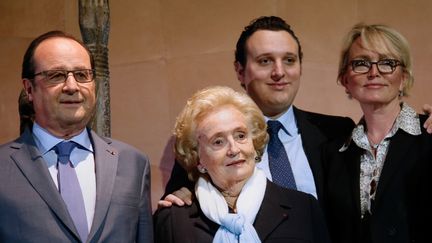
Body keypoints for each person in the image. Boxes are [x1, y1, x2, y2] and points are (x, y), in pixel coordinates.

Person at [161, 16, 432, 208]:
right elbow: (179, 201)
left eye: (289, 60)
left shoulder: (338, 133)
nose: (279, 72)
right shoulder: (209, 141)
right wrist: (183, 195)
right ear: (240, 71)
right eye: (265, 61)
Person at [0, 31, 153, 242]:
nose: (72, 87)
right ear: (29, 89)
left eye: (82, 75)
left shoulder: (133, 163)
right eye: (56, 75)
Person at [153, 86, 331, 242]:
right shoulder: (173, 219)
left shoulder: (304, 208)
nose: (234, 149)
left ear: (254, 143)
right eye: (218, 142)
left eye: (240, 135)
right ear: (198, 159)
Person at [322, 23, 432, 243]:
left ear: (403, 77)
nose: (374, 72)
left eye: (387, 63)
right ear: (345, 80)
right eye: (361, 63)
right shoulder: (334, 153)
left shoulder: (429, 137)